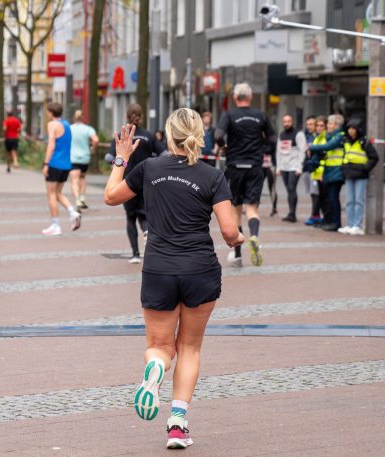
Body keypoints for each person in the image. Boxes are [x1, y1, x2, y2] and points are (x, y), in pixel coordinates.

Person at [104, 110, 243, 450]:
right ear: (200, 135)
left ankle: (155, 370)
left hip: (159, 269)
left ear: (168, 136)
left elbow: (110, 196)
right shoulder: (213, 176)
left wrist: (121, 159)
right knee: (190, 348)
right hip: (199, 270)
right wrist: (237, 239)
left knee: (160, 347)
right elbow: (228, 230)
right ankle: (178, 424)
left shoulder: (149, 169)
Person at [214, 83, 276, 267]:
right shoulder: (260, 115)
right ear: (250, 97)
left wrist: (224, 146)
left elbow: (218, 134)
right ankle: (255, 237)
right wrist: (262, 148)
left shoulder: (229, 115)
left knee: (236, 210)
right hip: (255, 166)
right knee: (252, 209)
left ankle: (238, 254)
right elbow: (273, 139)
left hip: (234, 166)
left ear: (235, 98)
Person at [107, 104, 158, 263]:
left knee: (130, 217)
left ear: (127, 116)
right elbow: (163, 153)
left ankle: (135, 254)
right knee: (144, 214)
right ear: (141, 117)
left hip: (127, 182)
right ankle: (147, 230)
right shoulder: (149, 136)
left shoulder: (123, 137)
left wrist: (118, 162)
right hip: (147, 182)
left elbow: (108, 157)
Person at [41, 102, 81, 236]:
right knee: (58, 193)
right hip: (66, 165)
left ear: (51, 113)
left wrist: (46, 163)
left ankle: (55, 225)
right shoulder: (67, 125)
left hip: (54, 164)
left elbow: (51, 145)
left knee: (51, 194)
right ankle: (72, 212)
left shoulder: (52, 125)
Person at [339, 119, 379, 236]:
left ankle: (357, 225)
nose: (351, 131)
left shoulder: (364, 142)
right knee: (349, 201)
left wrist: (365, 167)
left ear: (358, 130)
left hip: (360, 174)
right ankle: (350, 224)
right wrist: (343, 167)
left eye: (353, 128)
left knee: (358, 201)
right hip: (349, 173)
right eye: (349, 128)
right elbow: (345, 156)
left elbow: (374, 157)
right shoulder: (345, 141)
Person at [308, 114, 346, 232]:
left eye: (329, 124)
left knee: (333, 198)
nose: (327, 126)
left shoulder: (339, 136)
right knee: (329, 198)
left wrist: (312, 147)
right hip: (330, 170)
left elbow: (329, 146)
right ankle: (330, 221)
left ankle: (336, 223)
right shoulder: (332, 136)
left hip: (337, 170)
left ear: (336, 125)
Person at [275, 115, 307, 223]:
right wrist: (278, 167)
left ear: (292, 121)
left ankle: (292, 214)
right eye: (284, 121)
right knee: (289, 189)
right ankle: (290, 213)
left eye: (288, 121)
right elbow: (278, 152)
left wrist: (299, 167)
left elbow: (302, 150)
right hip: (284, 167)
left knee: (292, 188)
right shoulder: (281, 134)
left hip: (294, 166)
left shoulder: (299, 134)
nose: (286, 123)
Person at [69, 110, 99, 210]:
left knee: (74, 180)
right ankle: (82, 198)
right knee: (82, 178)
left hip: (73, 158)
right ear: (82, 118)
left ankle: (77, 200)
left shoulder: (69, 129)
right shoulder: (88, 129)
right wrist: (93, 149)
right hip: (85, 158)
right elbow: (95, 140)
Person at [302, 116, 322, 225]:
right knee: (312, 193)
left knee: (315, 193)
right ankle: (316, 214)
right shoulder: (308, 136)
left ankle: (314, 215)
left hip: (315, 169)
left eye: (311, 124)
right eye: (307, 124)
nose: (309, 126)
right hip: (307, 168)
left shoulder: (317, 138)